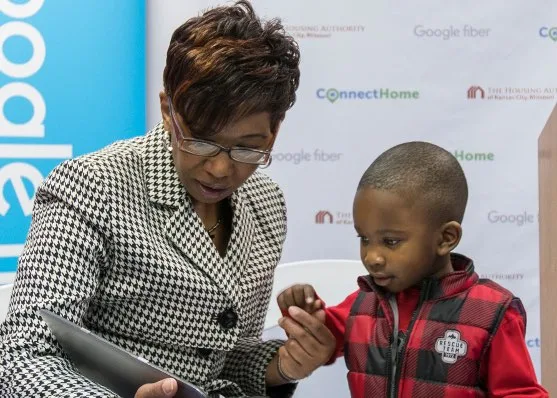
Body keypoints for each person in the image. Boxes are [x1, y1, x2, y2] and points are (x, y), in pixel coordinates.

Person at [0, 2, 335, 397]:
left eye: (247, 148)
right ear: (167, 110)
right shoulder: (93, 186)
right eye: (200, 141)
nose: (220, 170)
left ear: (274, 132)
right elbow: (21, 354)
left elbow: (222, 355)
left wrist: (280, 365)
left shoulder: (265, 203)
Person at [277, 142, 548, 397]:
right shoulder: (363, 302)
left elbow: (519, 392)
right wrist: (306, 314)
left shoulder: (493, 312)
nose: (372, 257)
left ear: (446, 238)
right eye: (364, 239)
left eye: (391, 241)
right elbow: (323, 342)